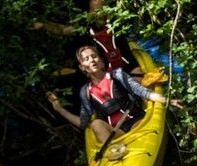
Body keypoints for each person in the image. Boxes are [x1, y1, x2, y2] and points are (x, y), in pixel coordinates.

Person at [47, 45, 182, 148]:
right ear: (83, 67)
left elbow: (143, 92)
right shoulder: (85, 92)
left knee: (137, 130)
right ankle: (116, 153)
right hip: (116, 134)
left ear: (101, 61)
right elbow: (83, 123)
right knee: (96, 124)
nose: (91, 60)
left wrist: (169, 101)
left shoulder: (117, 75)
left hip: (137, 123)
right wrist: (60, 109)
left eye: (94, 56)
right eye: (86, 59)